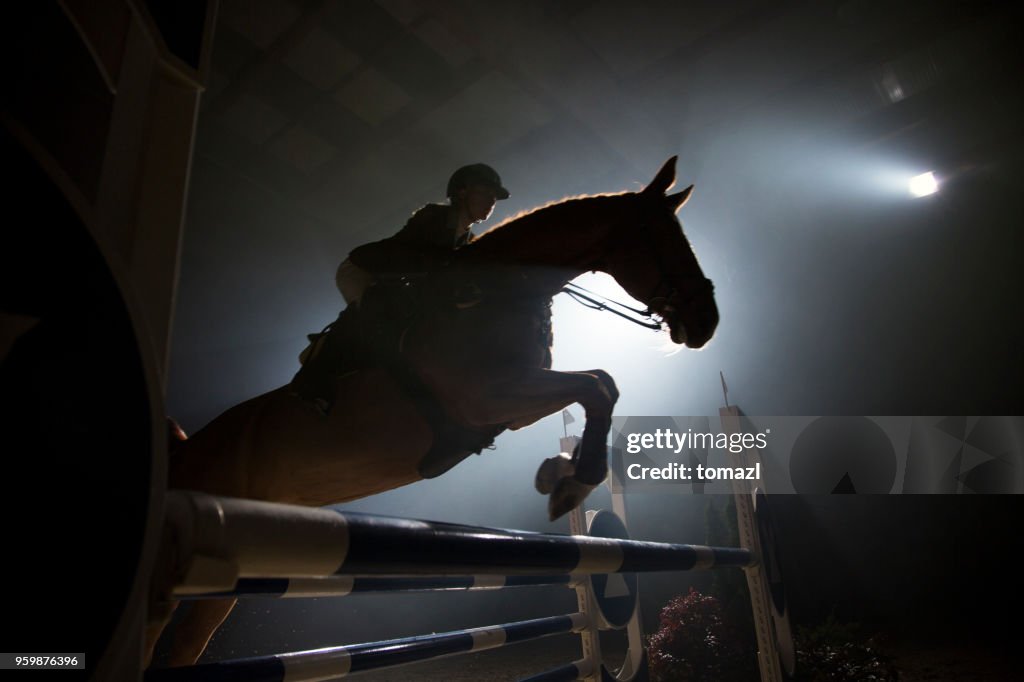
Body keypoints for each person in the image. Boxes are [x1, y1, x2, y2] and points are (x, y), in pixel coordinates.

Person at [336, 163, 510, 306]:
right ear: (462, 192)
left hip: (392, 280)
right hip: (361, 270)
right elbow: (435, 260)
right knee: (372, 315)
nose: (491, 200)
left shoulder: (469, 240)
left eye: (494, 196)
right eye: (485, 192)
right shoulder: (433, 215)